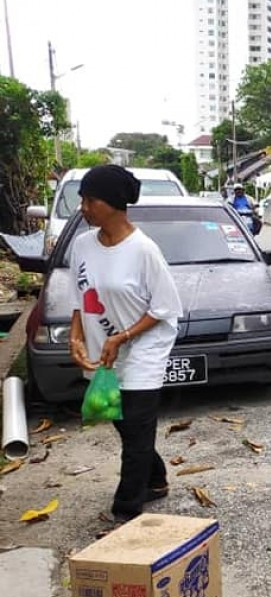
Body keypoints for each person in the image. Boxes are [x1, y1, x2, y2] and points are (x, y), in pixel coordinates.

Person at [67, 165, 183, 524]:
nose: (83, 207)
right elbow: (80, 297)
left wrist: (123, 336)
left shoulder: (144, 250)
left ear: (115, 203)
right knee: (122, 422)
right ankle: (157, 478)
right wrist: (76, 336)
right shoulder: (82, 244)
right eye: (82, 200)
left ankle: (126, 511)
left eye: (91, 200)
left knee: (135, 432)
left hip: (144, 347)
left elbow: (165, 309)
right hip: (105, 349)